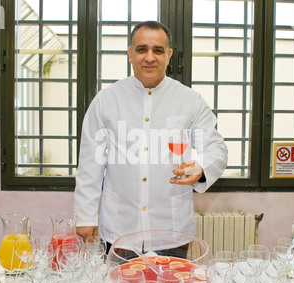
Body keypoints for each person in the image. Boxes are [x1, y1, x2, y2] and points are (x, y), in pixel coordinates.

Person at [74, 21, 227, 251]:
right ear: (130, 53)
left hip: (172, 231)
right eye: (141, 49)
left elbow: (216, 147)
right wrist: (85, 216)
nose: (149, 57)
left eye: (158, 50)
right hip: (120, 230)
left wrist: (202, 167)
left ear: (169, 55)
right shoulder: (106, 100)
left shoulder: (190, 100)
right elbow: (90, 162)